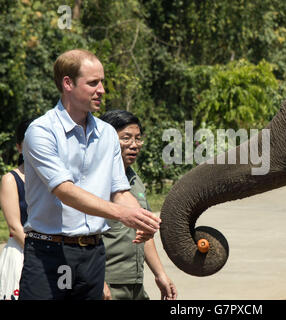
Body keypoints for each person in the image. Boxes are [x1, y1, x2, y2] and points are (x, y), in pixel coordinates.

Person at [19, 49, 161, 300]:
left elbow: (119, 191)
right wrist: (121, 214)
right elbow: (65, 190)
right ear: (67, 83)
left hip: (93, 255)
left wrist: (141, 218)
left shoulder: (107, 133)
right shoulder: (41, 131)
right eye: (93, 82)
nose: (102, 90)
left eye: (102, 82)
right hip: (48, 254)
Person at [99, 110, 177, 300]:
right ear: (107, 140)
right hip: (108, 283)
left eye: (138, 139)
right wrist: (98, 281)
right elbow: (80, 233)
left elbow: (144, 232)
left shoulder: (135, 180)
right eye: (126, 138)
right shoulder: (95, 180)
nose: (134, 145)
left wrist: (160, 274)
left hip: (134, 283)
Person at [0, 119, 33, 300]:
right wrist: (39, 254)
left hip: (52, 252)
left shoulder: (55, 181)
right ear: (19, 147)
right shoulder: (11, 179)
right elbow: (14, 227)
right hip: (23, 253)